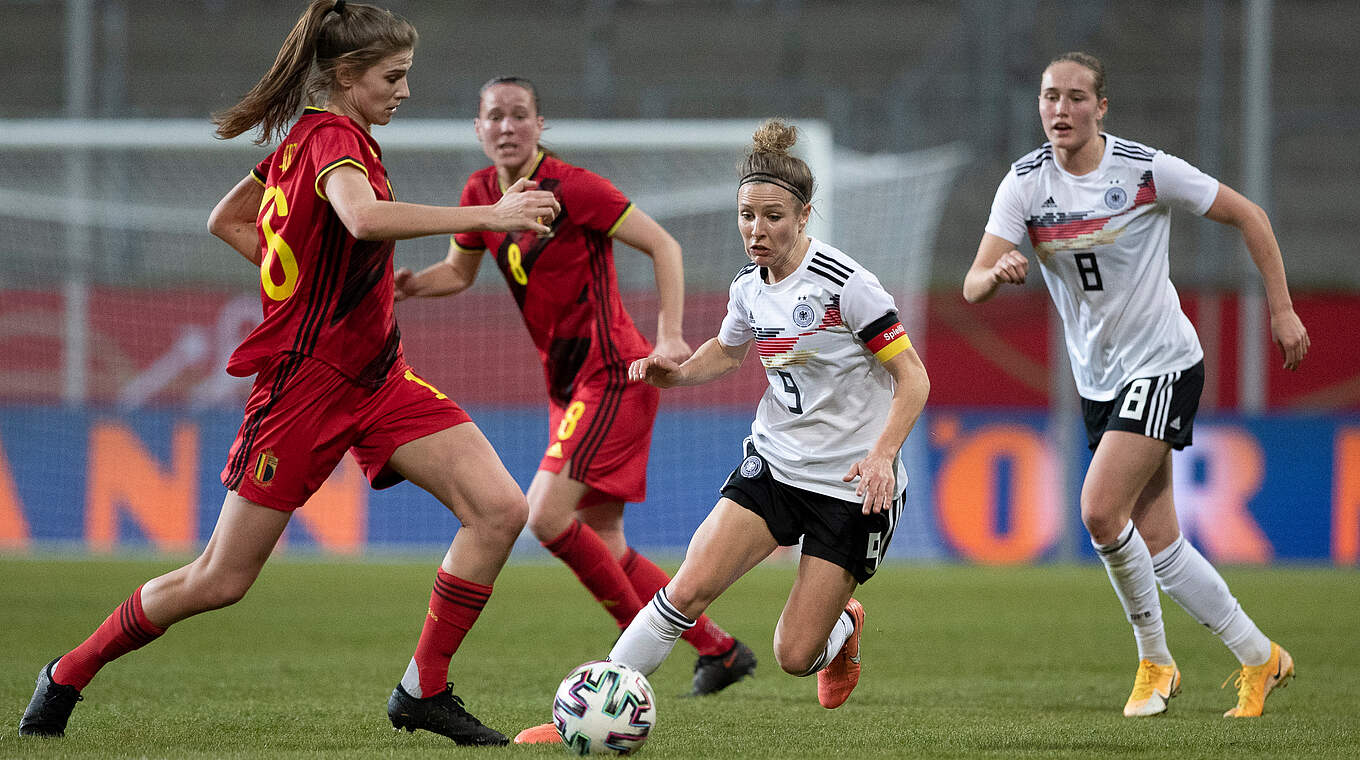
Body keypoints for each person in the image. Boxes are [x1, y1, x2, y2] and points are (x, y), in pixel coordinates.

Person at [18, 0, 561, 746]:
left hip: (376, 379)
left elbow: (228, 220)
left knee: (501, 510)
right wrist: (491, 218)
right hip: (303, 391)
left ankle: (422, 690)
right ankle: (68, 672)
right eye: (393, 77)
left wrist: (318, 290)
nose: (404, 91)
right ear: (346, 75)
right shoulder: (335, 137)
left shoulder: (306, 136)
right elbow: (363, 219)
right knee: (220, 580)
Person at [519, 118, 928, 744]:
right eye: (746, 216)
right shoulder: (748, 287)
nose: (756, 231)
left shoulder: (848, 287)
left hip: (850, 489)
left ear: (804, 216)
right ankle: (575, 719)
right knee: (687, 589)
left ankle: (841, 631)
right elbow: (729, 350)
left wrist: (883, 456)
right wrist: (675, 374)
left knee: (795, 655)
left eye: (772, 217)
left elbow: (914, 379)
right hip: (775, 467)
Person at [393, 77, 757, 725]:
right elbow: (459, 271)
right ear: (479, 129)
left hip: (613, 374)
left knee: (546, 517)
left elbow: (664, 246)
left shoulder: (573, 188)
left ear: (539, 125)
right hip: (570, 389)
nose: (507, 126)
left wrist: (670, 336)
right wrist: (412, 286)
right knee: (603, 537)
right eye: (494, 116)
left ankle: (631, 659)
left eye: (519, 115)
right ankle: (720, 651)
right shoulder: (479, 194)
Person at [964, 52, 1309, 718]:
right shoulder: (1026, 184)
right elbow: (974, 281)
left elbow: (1251, 217)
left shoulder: (1146, 171)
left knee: (1098, 510)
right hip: (1100, 380)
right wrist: (997, 270)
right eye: (1049, 98)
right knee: (1159, 542)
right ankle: (1260, 657)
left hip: (1164, 362)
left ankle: (1155, 662)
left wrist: (1282, 307)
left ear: (1101, 107)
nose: (1060, 110)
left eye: (1075, 97)